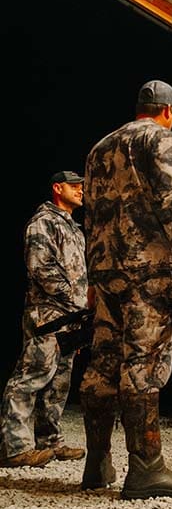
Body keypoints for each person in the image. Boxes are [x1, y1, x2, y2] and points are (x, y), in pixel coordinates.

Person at [79, 79, 172, 500]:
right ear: (168, 111)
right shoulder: (162, 138)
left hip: (105, 270)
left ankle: (97, 464)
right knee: (143, 363)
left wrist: (92, 278)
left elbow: (91, 216)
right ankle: (147, 469)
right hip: (148, 271)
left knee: (102, 366)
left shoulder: (98, 148)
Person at [1, 171, 89, 468]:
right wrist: (76, 300)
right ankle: (15, 447)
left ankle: (50, 441)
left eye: (82, 186)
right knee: (30, 377)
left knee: (59, 382)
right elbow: (41, 268)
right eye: (74, 185)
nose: (80, 190)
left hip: (70, 317)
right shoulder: (43, 223)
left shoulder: (74, 229)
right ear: (57, 188)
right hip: (47, 314)